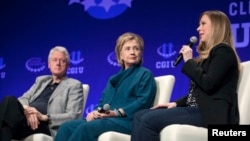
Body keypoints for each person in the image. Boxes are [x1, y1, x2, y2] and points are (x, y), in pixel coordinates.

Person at [130, 10, 241, 141]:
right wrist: (175, 104)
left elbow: (208, 84)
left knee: (148, 120)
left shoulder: (224, 51)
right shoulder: (209, 56)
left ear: (216, 26)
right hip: (198, 110)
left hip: (211, 115)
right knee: (139, 116)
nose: (198, 28)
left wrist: (189, 61)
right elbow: (198, 92)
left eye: (203, 24)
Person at [54, 32, 157, 141]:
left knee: (86, 128)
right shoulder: (113, 78)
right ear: (120, 54)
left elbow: (142, 103)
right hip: (107, 119)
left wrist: (115, 113)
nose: (132, 52)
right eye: (127, 49)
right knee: (66, 127)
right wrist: (95, 112)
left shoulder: (145, 74)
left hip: (128, 122)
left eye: (136, 48)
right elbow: (102, 102)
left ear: (141, 53)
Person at [0, 46, 84, 141]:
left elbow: (73, 116)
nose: (58, 63)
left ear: (68, 65)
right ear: (49, 64)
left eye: (62, 61)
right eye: (54, 60)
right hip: (25, 119)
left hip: (45, 125)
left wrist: (44, 117)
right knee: (9, 101)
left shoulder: (74, 85)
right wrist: (28, 111)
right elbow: (23, 99)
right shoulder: (41, 80)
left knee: (6, 120)